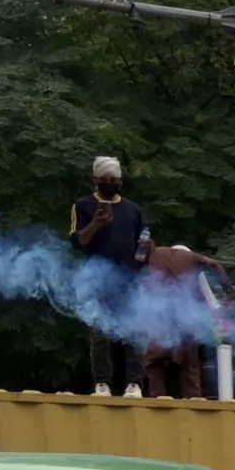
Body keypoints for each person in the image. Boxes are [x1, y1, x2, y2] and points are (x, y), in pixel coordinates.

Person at [69, 155, 150, 399]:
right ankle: (102, 383)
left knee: (134, 332)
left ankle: (134, 384)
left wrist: (146, 249)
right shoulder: (83, 205)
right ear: (95, 180)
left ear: (121, 181)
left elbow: (144, 241)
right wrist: (96, 224)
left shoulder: (133, 209)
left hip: (130, 280)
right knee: (100, 334)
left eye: (114, 179)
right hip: (97, 281)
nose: (110, 183)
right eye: (105, 179)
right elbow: (79, 242)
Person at [138, 244, 231, 399]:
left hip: (159, 321)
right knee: (190, 366)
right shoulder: (193, 267)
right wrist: (227, 295)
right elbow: (209, 302)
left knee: (153, 362)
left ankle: (157, 397)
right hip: (184, 322)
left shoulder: (157, 262)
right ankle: (193, 399)